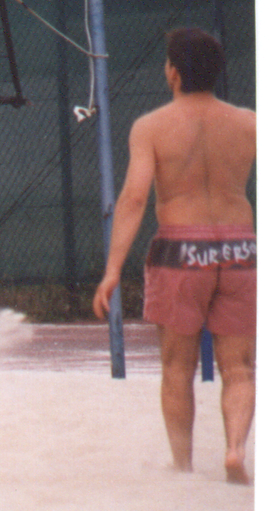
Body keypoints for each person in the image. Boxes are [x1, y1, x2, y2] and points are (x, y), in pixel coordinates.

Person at [93, 27, 256, 485]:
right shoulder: (250, 123)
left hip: (180, 251)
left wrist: (111, 270)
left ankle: (183, 470)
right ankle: (234, 449)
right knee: (240, 367)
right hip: (241, 247)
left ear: (173, 72)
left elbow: (133, 200)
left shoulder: (151, 128)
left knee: (177, 367)